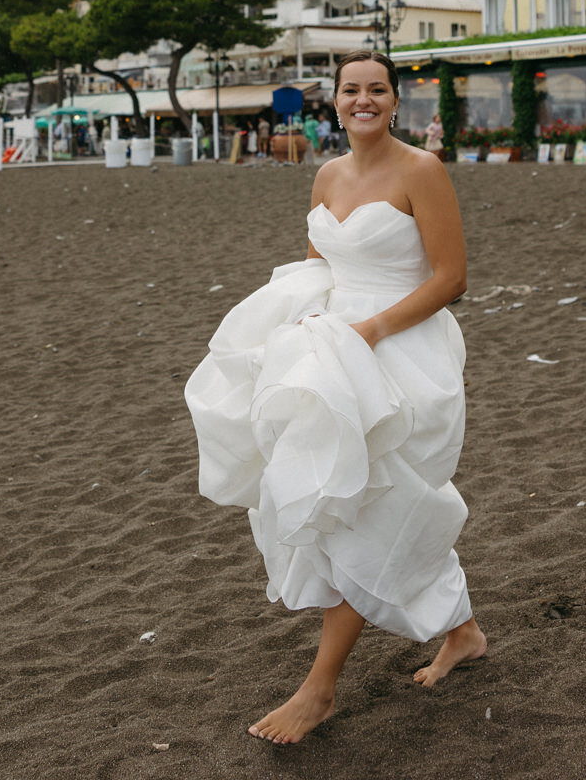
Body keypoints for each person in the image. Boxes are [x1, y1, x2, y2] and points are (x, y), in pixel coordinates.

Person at [186, 49, 484, 744]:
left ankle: (318, 691)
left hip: (402, 346)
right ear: (335, 101)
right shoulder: (326, 173)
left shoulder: (422, 170)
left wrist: (372, 330)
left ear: (394, 100)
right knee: (369, 498)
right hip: (330, 350)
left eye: (376, 89)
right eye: (351, 90)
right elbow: (322, 264)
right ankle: (463, 631)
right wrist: (293, 329)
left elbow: (451, 278)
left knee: (365, 502)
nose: (363, 100)